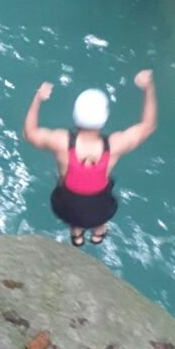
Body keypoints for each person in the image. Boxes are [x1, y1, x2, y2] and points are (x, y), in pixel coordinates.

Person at [23, 70, 157, 247]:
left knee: (75, 203)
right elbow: (148, 126)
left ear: (75, 115)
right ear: (104, 118)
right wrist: (148, 87)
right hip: (100, 210)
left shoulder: (61, 141)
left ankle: (77, 233)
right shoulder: (115, 145)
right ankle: (98, 231)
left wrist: (38, 97)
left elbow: (29, 133)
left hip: (66, 208)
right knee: (97, 205)